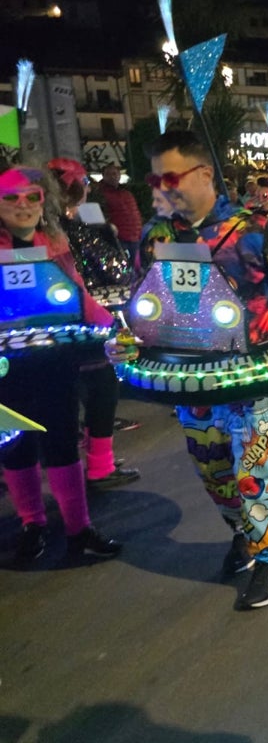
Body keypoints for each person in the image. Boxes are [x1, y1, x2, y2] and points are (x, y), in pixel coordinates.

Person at [108, 131, 268, 609]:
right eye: (153, 179)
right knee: (213, 471)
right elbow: (142, 303)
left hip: (251, 374)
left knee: (253, 469)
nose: (160, 189)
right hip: (192, 377)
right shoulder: (157, 235)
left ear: (204, 174)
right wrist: (124, 339)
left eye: (170, 178)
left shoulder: (253, 230)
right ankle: (243, 535)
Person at [0, 167, 122, 566]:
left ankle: (78, 528)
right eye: (11, 198)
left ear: (43, 201)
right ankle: (32, 524)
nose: (23, 206)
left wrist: (113, 326)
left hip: (56, 360)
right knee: (17, 446)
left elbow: (78, 294)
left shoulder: (54, 241)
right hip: (6, 367)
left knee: (63, 441)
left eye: (31, 197)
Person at [46, 158, 139, 490]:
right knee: (102, 390)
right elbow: (117, 271)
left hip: (49, 332)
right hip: (91, 323)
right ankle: (99, 467)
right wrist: (108, 237)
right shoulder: (73, 230)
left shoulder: (37, 233)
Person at [91, 162, 143, 263]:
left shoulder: (126, 193)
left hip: (134, 238)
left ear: (119, 175)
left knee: (135, 270)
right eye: (108, 174)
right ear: (103, 176)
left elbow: (134, 214)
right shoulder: (100, 194)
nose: (112, 177)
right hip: (118, 240)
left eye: (115, 174)